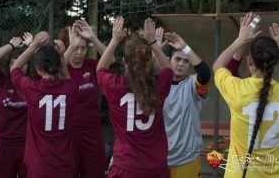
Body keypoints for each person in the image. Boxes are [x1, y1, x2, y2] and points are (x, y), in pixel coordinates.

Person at [96, 17, 173, 178]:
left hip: (126, 166)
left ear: (124, 61)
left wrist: (114, 40)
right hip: (156, 167)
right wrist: (152, 43)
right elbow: (167, 68)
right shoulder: (159, 85)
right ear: (148, 61)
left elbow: (101, 69)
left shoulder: (114, 86)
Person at [213, 13, 279, 178]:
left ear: (248, 61)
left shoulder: (237, 91)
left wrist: (240, 40)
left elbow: (218, 65)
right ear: (276, 61)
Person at [10, 31, 77, 178]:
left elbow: (14, 69)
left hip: (40, 165)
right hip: (65, 165)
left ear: (38, 70)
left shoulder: (32, 88)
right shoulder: (70, 89)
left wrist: (34, 45)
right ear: (59, 66)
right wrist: (61, 54)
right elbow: (66, 78)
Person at [58, 20, 112, 177]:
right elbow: (56, 68)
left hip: (92, 134)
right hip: (67, 135)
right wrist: (70, 48)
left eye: (83, 48)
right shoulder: (60, 69)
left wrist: (93, 38)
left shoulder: (91, 66)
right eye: (76, 48)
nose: (79, 52)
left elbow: (112, 60)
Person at [161, 31, 211, 178]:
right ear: (169, 60)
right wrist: (154, 48)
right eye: (178, 59)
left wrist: (185, 47)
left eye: (186, 61)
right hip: (160, 157)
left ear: (190, 66)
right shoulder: (159, 83)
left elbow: (205, 73)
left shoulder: (192, 84)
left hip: (187, 158)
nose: (181, 64)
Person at [0, 32, 33, 178]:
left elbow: (50, 63)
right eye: (13, 62)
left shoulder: (33, 84)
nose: (18, 66)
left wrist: (33, 46)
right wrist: (11, 45)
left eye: (23, 62)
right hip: (3, 145)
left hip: (27, 145)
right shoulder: (2, 82)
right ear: (8, 65)